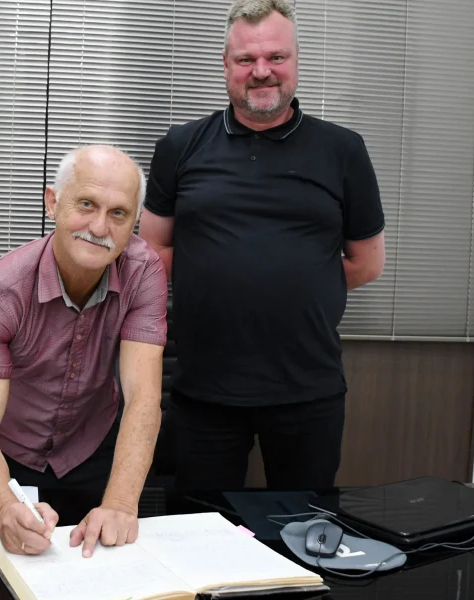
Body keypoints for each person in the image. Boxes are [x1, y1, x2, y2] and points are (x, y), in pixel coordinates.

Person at [138, 0, 386, 493]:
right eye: (246, 59)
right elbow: (152, 253)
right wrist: (222, 279)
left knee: (302, 528)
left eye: (276, 57)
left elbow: (366, 263)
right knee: (199, 528)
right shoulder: (180, 146)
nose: (262, 71)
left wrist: (295, 284)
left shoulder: (343, 150)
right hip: (204, 389)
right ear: (225, 65)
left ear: (295, 60)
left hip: (308, 390)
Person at [0, 145, 169, 558]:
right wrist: (3, 506)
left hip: (94, 449)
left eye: (118, 213)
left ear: (134, 224)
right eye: (86, 204)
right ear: (53, 202)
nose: (100, 227)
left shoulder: (144, 272)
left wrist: (120, 504)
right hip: (9, 456)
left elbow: (143, 398)